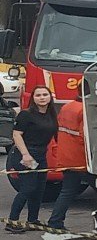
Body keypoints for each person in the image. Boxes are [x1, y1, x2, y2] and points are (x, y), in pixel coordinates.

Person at [6, 85, 57, 232]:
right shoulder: (26, 115)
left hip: (40, 155)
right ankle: (12, 222)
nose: (42, 98)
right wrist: (26, 155)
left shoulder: (51, 114)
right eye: (38, 95)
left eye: (44, 95)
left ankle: (32, 220)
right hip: (26, 155)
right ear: (33, 98)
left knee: (39, 188)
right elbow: (16, 135)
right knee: (28, 188)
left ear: (49, 97)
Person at [43, 96, 91, 234]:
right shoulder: (84, 110)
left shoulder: (67, 106)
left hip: (66, 157)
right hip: (80, 159)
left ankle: (55, 221)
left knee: (68, 190)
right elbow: (85, 137)